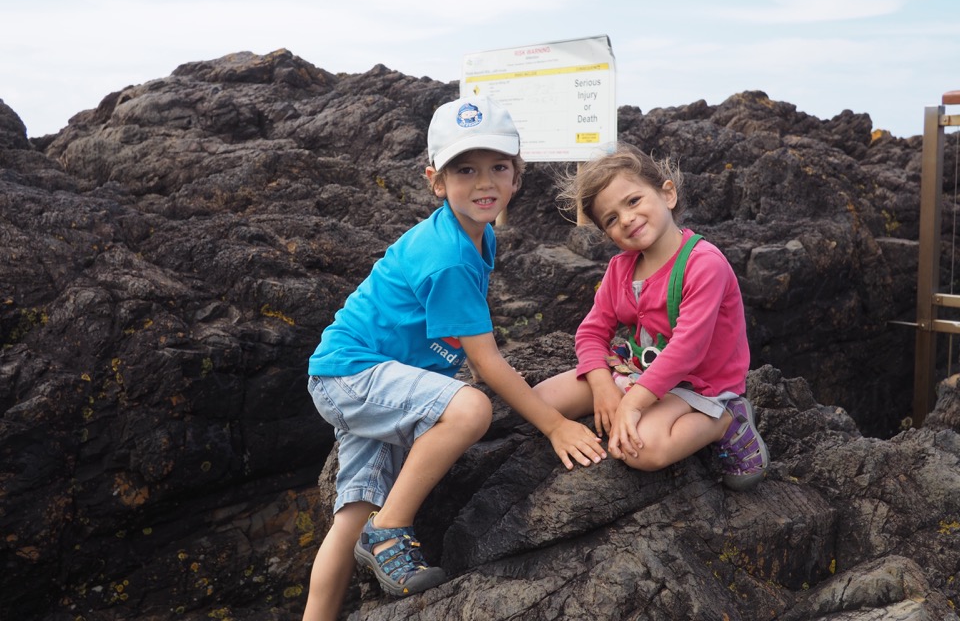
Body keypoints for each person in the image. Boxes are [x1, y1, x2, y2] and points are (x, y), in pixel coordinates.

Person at [301, 96, 607, 621]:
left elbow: (464, 339)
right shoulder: (447, 256)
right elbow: (484, 362)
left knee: (349, 516)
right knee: (470, 409)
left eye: (497, 168)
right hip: (353, 373)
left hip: (359, 374)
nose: (484, 182)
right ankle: (389, 530)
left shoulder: (477, 233)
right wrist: (555, 426)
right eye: (465, 169)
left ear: (517, 176)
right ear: (436, 181)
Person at [534, 144, 769, 490]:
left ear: (667, 194)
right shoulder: (620, 269)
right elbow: (590, 333)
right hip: (637, 369)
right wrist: (602, 387)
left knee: (642, 450)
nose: (627, 219)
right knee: (540, 402)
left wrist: (632, 403)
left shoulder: (704, 264)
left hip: (697, 382)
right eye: (611, 219)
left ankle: (727, 421)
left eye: (633, 201)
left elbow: (687, 349)